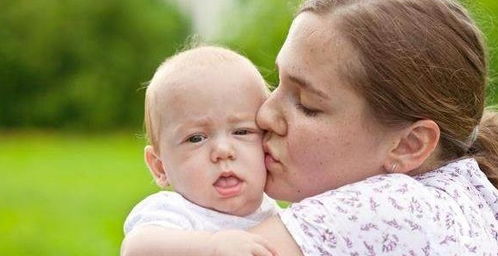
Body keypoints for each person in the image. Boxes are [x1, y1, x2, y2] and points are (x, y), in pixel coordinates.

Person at [124, 0, 498, 255]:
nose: (264, 115)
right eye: (277, 84)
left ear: (408, 144)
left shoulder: (390, 206)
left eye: (306, 104)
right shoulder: (466, 190)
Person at [121, 46, 280, 256]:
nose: (223, 151)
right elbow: (136, 248)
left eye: (242, 131)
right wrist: (212, 247)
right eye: (196, 138)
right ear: (160, 167)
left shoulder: (274, 214)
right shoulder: (173, 212)